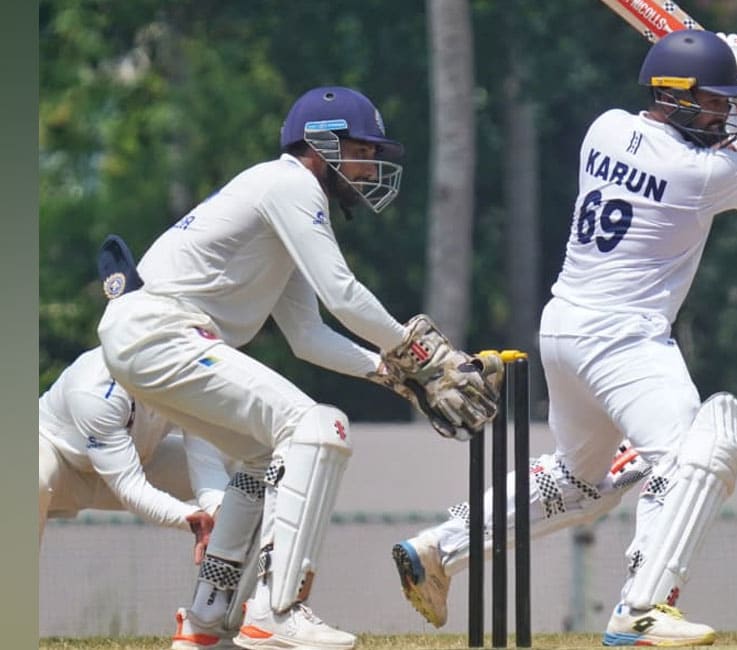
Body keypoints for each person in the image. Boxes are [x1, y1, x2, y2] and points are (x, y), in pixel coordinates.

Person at [391, 30, 737, 646]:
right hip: (624, 339)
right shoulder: (693, 170)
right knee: (695, 455)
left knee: (582, 484)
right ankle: (644, 605)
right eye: (714, 101)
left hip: (565, 328)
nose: (723, 113)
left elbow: (732, 156)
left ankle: (438, 550)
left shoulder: (603, 128)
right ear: (678, 97)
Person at [96, 85, 493, 650]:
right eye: (362, 150)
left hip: (146, 338)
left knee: (262, 461)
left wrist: (389, 372)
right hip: (160, 331)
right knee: (317, 427)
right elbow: (343, 294)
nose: (371, 165)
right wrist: (424, 356)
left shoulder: (282, 202)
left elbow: (308, 336)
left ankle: (206, 620)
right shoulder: (291, 183)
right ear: (321, 144)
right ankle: (277, 609)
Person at [38, 345, 229, 549]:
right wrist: (191, 519)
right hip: (59, 461)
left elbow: (207, 464)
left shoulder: (189, 370)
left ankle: (258, 570)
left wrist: (218, 510)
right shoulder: (94, 387)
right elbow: (129, 485)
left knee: (240, 463)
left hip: (133, 461)